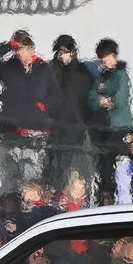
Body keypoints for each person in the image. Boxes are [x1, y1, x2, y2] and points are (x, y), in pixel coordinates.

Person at [0, 30, 58, 192]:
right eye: (16, 50)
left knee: (31, 179)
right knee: (8, 178)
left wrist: (43, 106)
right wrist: (6, 46)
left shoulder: (43, 68)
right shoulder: (9, 67)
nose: (18, 53)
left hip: (35, 130)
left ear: (30, 47)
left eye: (20, 49)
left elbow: (56, 95)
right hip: (11, 129)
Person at [47, 34, 93, 185]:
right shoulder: (53, 70)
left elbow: (85, 100)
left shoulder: (82, 72)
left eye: (64, 52)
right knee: (53, 165)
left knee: (71, 167)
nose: (61, 56)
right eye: (59, 53)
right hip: (55, 126)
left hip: (75, 126)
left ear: (72, 52)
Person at [89, 38, 132, 195]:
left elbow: (121, 98)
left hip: (118, 127)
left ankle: (118, 193)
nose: (104, 60)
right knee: (103, 163)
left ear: (114, 55)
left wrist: (110, 101)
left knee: (118, 163)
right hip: (102, 128)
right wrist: (99, 101)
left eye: (107, 56)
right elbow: (92, 96)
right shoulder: (101, 77)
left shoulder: (121, 75)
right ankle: (104, 192)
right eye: (102, 57)